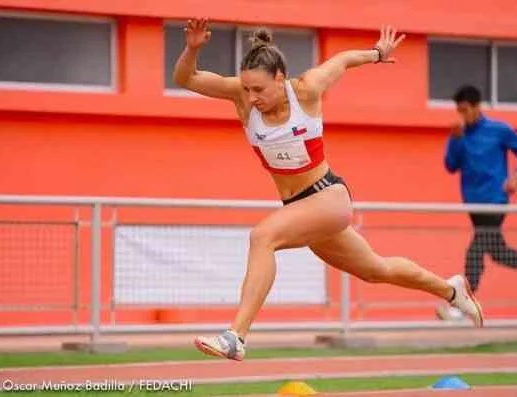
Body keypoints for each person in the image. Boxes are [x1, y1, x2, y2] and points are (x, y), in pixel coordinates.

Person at [173, 18, 483, 361]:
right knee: (375, 270)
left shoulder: (306, 89)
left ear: (280, 79)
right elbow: (185, 78)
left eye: (259, 89)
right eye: (246, 89)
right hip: (301, 209)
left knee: (263, 237)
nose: (251, 97)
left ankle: (236, 336)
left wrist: (377, 53)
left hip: (328, 196)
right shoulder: (242, 99)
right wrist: (193, 48)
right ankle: (452, 290)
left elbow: (343, 60)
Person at [437, 85, 517, 322]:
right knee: (497, 252)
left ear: (477, 107)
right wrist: (455, 140)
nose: (462, 115)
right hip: (474, 204)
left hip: (495, 201)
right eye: (458, 111)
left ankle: (462, 306)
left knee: (475, 251)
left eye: (465, 110)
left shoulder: (498, 130)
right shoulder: (460, 135)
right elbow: (451, 166)